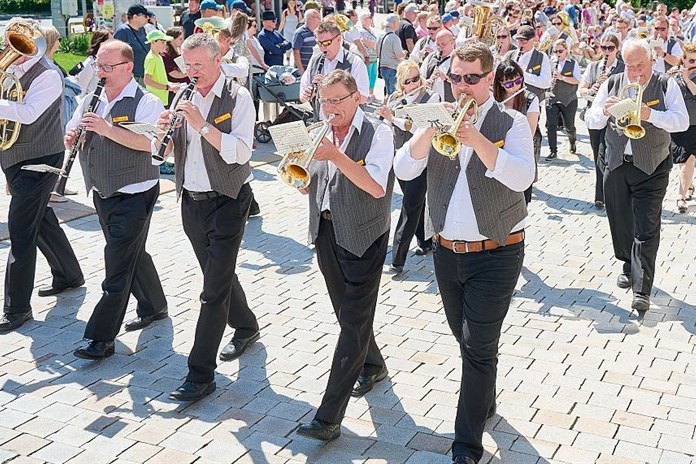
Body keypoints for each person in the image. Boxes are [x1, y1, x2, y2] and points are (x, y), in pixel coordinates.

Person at [394, 42, 534, 464]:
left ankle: (466, 446)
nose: (462, 87)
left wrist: (479, 141)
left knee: (475, 347)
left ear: (489, 77)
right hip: (446, 252)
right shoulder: (436, 115)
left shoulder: (511, 121)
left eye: (471, 78)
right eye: (455, 78)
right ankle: (484, 398)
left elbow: (522, 176)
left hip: (498, 251)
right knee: (468, 341)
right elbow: (404, 169)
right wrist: (427, 133)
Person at [156, 33, 260, 402]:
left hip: (229, 200)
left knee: (212, 290)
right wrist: (162, 136)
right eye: (188, 65)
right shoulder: (183, 96)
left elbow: (241, 152)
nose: (192, 71)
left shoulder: (239, 97)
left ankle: (200, 375)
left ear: (218, 60)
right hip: (191, 201)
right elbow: (168, 151)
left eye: (199, 64)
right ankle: (246, 325)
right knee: (217, 273)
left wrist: (202, 125)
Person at [296, 70, 395, 441]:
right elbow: (316, 185)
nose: (330, 107)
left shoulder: (378, 133)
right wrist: (305, 178)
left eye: (337, 100)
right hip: (325, 231)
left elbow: (373, 185)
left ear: (356, 97)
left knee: (352, 321)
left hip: (364, 234)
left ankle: (328, 416)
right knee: (346, 312)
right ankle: (373, 364)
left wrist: (334, 156)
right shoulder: (320, 129)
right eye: (325, 100)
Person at [68, 40, 168, 359]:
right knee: (129, 251)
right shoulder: (90, 98)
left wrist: (107, 129)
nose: (101, 72)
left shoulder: (146, 102)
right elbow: (72, 130)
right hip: (102, 190)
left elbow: (150, 145)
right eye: (98, 65)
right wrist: (72, 137)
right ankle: (154, 306)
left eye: (107, 67)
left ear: (127, 67)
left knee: (117, 263)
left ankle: (101, 337)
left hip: (135, 191)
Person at [585, 38, 688, 312]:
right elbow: (591, 118)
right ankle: (628, 262)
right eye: (629, 66)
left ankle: (642, 289)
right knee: (619, 220)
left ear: (652, 60)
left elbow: (682, 121)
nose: (635, 73)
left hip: (652, 166)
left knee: (646, 226)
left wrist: (650, 114)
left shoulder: (666, 84)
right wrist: (605, 111)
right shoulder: (613, 82)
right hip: (617, 162)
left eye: (640, 65)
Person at [0, 19, 84, 333]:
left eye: (19, 45)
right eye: (10, 43)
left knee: (21, 232)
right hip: (15, 157)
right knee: (40, 218)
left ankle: (17, 309)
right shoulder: (12, 69)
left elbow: (29, 113)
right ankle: (69, 275)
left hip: (39, 159)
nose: (12, 51)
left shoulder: (48, 74)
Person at [375, 60, 439, 274]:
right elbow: (385, 128)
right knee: (415, 201)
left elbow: (419, 129)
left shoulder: (431, 97)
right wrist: (383, 118)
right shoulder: (394, 98)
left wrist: (393, 118)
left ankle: (397, 259)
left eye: (416, 79)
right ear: (401, 84)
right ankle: (426, 241)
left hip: (421, 160)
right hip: (398, 158)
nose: (413, 84)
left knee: (410, 206)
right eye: (408, 81)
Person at [579, 34, 624, 208]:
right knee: (598, 155)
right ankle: (601, 193)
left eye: (610, 48)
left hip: (614, 117)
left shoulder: (622, 68)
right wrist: (593, 87)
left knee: (608, 156)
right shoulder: (593, 66)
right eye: (603, 48)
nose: (606, 52)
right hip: (595, 116)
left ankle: (606, 194)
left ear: (617, 49)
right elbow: (581, 90)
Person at [300, 20, 369, 121]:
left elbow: (363, 97)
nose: (323, 47)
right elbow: (302, 95)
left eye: (327, 43)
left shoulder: (354, 61)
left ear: (339, 39)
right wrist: (307, 94)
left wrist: (329, 88)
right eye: (319, 43)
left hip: (347, 125)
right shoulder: (315, 60)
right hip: (320, 124)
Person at [494, 59, 540, 204]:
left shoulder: (531, 99)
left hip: (519, 152)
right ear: (500, 84)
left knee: (519, 201)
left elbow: (529, 133)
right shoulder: (494, 98)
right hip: (496, 152)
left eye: (517, 81)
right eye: (508, 84)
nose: (514, 87)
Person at [669, 44, 696, 214]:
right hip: (680, 124)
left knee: (689, 159)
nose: (695, 63)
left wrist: (687, 79)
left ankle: (681, 196)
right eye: (692, 60)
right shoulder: (674, 73)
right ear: (683, 59)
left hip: (695, 124)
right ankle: (689, 184)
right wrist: (670, 77)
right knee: (682, 161)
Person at [545, 39, 581, 161]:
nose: (558, 53)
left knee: (569, 126)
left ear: (567, 50)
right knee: (551, 126)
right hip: (552, 98)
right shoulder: (551, 62)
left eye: (560, 51)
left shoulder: (572, 63)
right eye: (555, 51)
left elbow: (577, 80)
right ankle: (553, 151)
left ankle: (572, 140)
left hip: (568, 99)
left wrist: (562, 77)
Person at [113, 4, 151, 86]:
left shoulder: (143, 30)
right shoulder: (123, 31)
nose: (147, 18)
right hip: (132, 77)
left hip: (145, 75)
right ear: (135, 17)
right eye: (145, 16)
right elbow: (115, 54)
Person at [72, 29, 112, 97]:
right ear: (100, 44)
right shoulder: (90, 63)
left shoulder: (111, 62)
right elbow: (81, 90)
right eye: (110, 42)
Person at [421, 29, 456, 103]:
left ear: (452, 43)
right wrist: (425, 81)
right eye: (438, 44)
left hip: (449, 102)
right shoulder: (431, 57)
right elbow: (421, 75)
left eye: (443, 44)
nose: (440, 47)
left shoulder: (458, 59)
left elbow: (462, 82)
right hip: (430, 101)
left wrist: (446, 78)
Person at [144, 30, 177, 106]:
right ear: (153, 42)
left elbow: (160, 78)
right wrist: (167, 87)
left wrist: (171, 85)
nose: (165, 45)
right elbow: (147, 81)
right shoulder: (151, 58)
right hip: (156, 100)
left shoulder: (158, 56)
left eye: (165, 42)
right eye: (162, 42)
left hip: (162, 99)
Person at [377, 14, 407, 98]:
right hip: (392, 68)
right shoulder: (394, 38)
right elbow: (399, 56)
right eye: (398, 22)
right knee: (395, 95)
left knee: (388, 93)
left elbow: (377, 52)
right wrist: (404, 53)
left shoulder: (379, 35)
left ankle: (385, 108)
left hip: (383, 68)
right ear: (393, 23)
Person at [162, 27, 190, 107]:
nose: (182, 41)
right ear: (172, 39)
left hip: (183, 86)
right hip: (174, 89)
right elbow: (173, 73)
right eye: (180, 39)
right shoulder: (165, 54)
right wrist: (189, 73)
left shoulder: (178, 51)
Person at [354, 12, 379, 103]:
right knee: (367, 77)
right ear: (363, 20)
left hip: (374, 57)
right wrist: (376, 47)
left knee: (373, 77)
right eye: (368, 17)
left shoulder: (372, 30)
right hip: (367, 58)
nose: (370, 19)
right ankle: (366, 95)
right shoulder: (361, 31)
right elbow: (366, 42)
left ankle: (371, 94)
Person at [292, 8, 320, 74]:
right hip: (304, 69)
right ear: (310, 19)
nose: (320, 19)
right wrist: (301, 70)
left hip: (316, 69)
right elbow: (296, 52)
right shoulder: (299, 33)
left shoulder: (319, 32)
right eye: (318, 17)